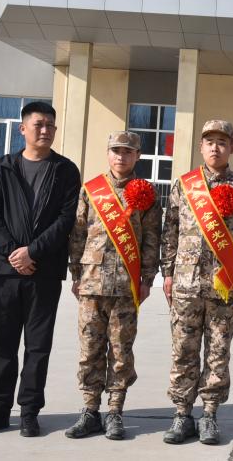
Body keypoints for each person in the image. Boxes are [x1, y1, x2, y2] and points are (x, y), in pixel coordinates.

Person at [0, 101, 81, 437]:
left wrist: (33, 251)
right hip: (6, 272)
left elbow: (66, 219)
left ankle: (30, 410)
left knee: (38, 345)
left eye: (50, 125)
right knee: (2, 342)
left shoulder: (65, 170)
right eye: (38, 124)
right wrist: (12, 254)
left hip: (45, 271)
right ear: (23, 129)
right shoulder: (3, 168)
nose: (45, 130)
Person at [161, 119, 233, 445]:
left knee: (218, 354)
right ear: (201, 147)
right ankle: (182, 414)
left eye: (222, 142)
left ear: (232, 147)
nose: (215, 147)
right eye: (209, 142)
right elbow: (170, 232)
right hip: (186, 285)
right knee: (183, 352)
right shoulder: (184, 186)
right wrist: (167, 273)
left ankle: (209, 415)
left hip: (224, 287)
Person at [64, 132, 163, 441]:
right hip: (91, 284)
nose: (121, 156)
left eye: (128, 151)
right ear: (108, 153)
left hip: (126, 285)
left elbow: (151, 239)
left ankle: (115, 412)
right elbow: (78, 233)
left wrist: (147, 279)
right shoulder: (91, 190)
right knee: (89, 350)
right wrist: (76, 275)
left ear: (138, 156)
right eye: (116, 150)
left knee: (121, 351)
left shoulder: (145, 192)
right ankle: (90, 411)